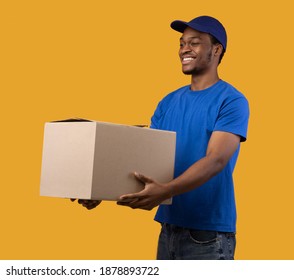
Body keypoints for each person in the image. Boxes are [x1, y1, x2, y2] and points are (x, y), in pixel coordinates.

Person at [73, 15, 249, 260]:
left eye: (195, 42)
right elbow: (146, 157)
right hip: (168, 230)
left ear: (216, 49)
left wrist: (165, 189)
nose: (185, 49)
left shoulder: (231, 100)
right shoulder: (168, 102)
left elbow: (216, 160)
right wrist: (100, 189)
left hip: (209, 233)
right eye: (182, 43)